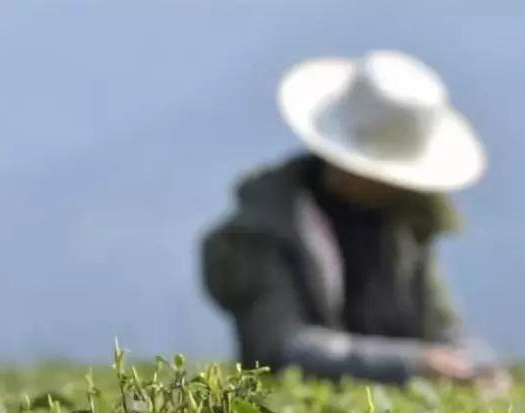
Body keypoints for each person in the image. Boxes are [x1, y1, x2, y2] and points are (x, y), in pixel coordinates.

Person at [201, 51, 503, 385]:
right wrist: (410, 364)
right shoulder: (267, 228)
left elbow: (445, 328)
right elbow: (278, 347)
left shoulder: (406, 225)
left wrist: (477, 365)